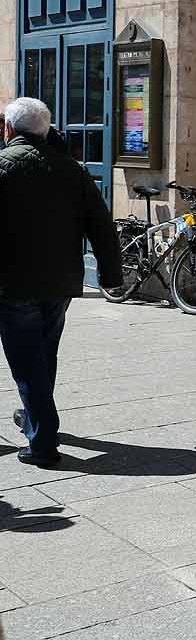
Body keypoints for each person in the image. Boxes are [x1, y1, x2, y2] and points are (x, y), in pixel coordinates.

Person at [0, 98, 123, 468]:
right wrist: (111, 275)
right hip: (60, 281)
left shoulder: (3, 166)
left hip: (14, 282)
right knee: (43, 354)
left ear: (9, 129)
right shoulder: (73, 169)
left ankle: (43, 440)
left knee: (26, 361)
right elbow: (101, 225)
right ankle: (36, 417)